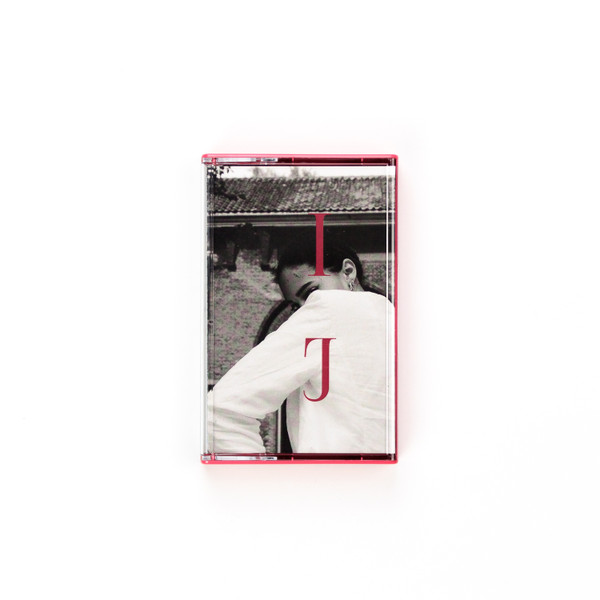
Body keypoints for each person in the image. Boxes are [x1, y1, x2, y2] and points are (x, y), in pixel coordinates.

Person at [206, 235, 395, 454]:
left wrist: (258, 474)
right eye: (296, 306)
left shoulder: (327, 310)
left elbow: (220, 411)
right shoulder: (396, 322)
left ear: (348, 271)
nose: (306, 310)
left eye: (311, 292)